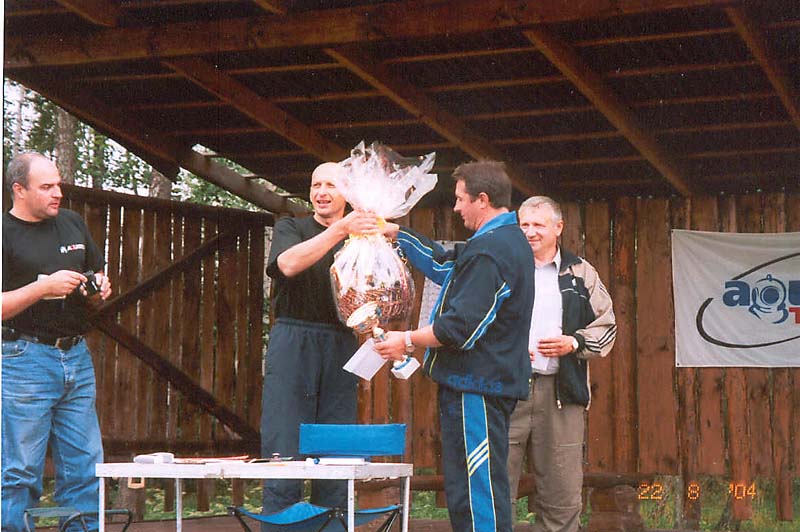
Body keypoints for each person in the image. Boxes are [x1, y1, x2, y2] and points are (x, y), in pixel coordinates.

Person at [374, 161, 534, 532]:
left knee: (477, 489)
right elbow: (447, 266)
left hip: (476, 387)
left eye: (461, 199)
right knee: (470, 485)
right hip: (481, 385)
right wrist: (397, 234)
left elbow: (459, 328)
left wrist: (406, 340)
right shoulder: (500, 242)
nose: (457, 207)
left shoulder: (491, 251)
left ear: (483, 199)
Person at [260, 162, 379, 527]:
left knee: (336, 445)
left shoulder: (363, 240)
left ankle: (332, 525)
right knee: (284, 443)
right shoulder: (291, 227)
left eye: (331, 185)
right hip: (293, 339)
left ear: (348, 195)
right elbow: (287, 264)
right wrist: (341, 229)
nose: (322, 192)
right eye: (316, 185)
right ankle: (282, 525)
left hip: (341, 342)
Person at [2, 152, 113, 532]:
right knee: (19, 471)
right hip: (23, 358)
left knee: (86, 467)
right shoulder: (4, 233)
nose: (57, 193)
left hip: (76, 356)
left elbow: (96, 276)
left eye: (59, 185)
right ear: (19, 190)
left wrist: (99, 288)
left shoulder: (71, 222)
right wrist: (41, 288)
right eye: (47, 186)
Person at [507, 196, 616, 532]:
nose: (530, 232)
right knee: (495, 491)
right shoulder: (502, 268)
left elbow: (607, 326)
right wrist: (505, 350)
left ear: (558, 227)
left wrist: (575, 343)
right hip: (505, 391)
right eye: (524, 225)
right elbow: (472, 325)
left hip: (561, 393)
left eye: (538, 225)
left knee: (562, 497)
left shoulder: (580, 272)